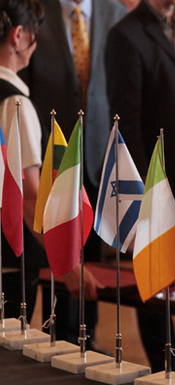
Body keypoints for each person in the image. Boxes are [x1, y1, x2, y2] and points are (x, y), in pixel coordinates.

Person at [105, 0, 175, 372]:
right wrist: (142, 193)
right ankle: (166, 368)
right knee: (155, 279)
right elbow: (127, 121)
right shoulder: (124, 36)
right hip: (158, 179)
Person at [19, 0, 126, 350]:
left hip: (99, 153)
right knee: (55, 249)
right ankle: (59, 338)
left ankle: (85, 336)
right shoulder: (34, 11)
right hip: (49, 155)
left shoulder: (115, 13)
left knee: (91, 252)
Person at [0, 0, 99, 324]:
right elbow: (28, 196)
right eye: (34, 33)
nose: (36, 42)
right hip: (9, 259)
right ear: (17, 36)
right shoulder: (15, 103)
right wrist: (68, 266)